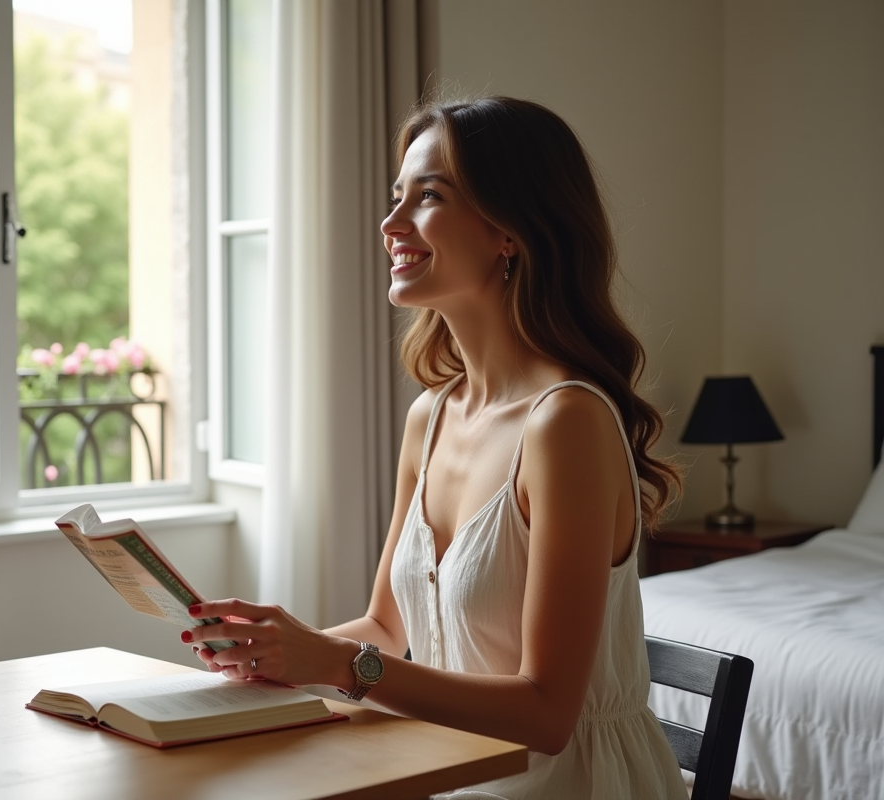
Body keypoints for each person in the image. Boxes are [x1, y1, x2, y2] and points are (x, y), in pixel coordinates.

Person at [185, 96, 689, 799]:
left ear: (509, 230)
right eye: (398, 198)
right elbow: (388, 626)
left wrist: (337, 663)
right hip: (449, 767)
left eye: (428, 197)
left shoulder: (565, 424)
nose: (392, 224)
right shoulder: (432, 414)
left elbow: (546, 715)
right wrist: (277, 652)